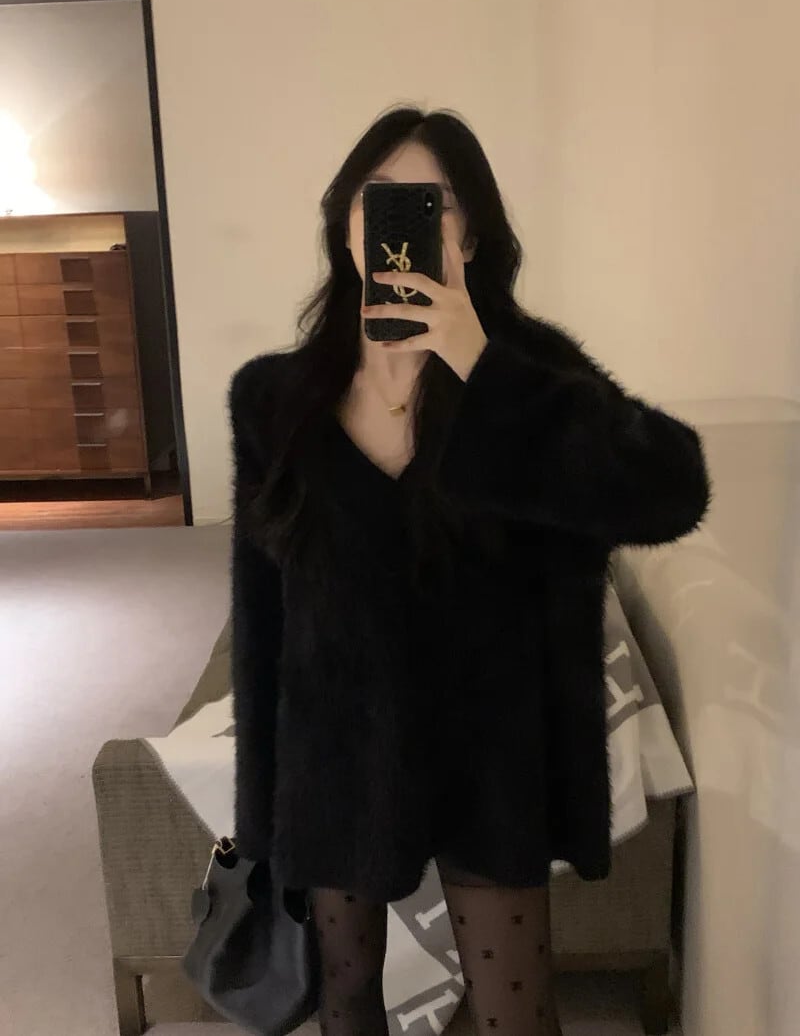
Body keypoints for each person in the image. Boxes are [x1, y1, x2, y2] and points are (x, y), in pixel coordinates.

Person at [227, 105, 712, 1036]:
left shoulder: (525, 374)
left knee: (517, 1017)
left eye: (431, 202)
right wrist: (263, 819)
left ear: (471, 233)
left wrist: (478, 360)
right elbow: (262, 623)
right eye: (379, 198)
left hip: (491, 756)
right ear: (345, 222)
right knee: (346, 1007)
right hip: (341, 755)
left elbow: (669, 491)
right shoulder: (275, 400)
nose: (398, 221)